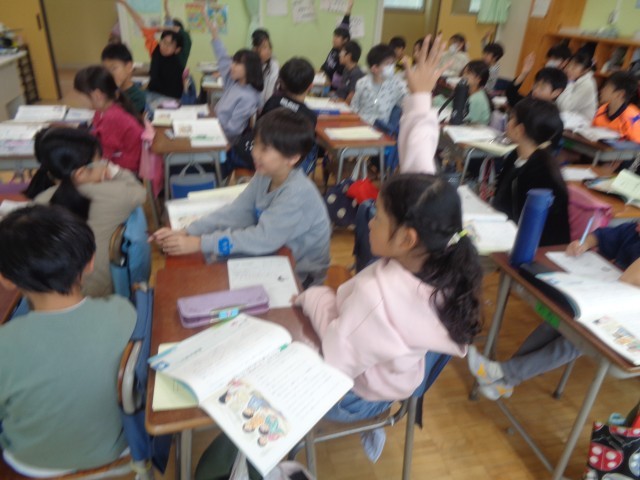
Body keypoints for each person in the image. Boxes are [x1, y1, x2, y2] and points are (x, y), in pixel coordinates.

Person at [294, 34, 483, 461]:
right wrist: (420, 97)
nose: (368, 218)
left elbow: (336, 360)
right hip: (398, 375)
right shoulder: (437, 250)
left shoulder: (377, 297)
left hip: (357, 395)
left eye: (377, 216)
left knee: (289, 352)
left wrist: (314, 298)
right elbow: (419, 159)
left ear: (406, 238)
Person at [0, 205, 136, 475]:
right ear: (90, 262)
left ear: (6, 280)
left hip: (33, 465)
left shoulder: (5, 342)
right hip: (122, 454)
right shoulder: (124, 312)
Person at [149, 108, 331, 287]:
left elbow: (262, 239)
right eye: (256, 144)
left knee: (214, 279)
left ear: (292, 158)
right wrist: (188, 231)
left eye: (265, 149)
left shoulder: (297, 193)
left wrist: (200, 243)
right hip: (275, 250)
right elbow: (237, 211)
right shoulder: (265, 174)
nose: (255, 153)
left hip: (301, 273)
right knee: (207, 268)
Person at [468, 221, 640, 399]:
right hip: (603, 300)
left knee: (574, 342)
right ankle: (505, 380)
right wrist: (585, 244)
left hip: (626, 319)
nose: (637, 226)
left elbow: (629, 278)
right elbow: (602, 235)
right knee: (554, 323)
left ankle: (503, 374)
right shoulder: (634, 231)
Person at [27, 127, 146, 297]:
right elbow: (140, 192)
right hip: (103, 292)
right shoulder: (115, 194)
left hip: (52, 294)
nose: (105, 164)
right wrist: (117, 172)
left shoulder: (40, 202)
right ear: (81, 173)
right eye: (101, 161)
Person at [491, 97, 570, 247]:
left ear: (520, 130)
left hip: (534, 248)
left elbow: (532, 228)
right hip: (507, 233)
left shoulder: (542, 173)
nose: (508, 122)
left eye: (511, 118)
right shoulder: (515, 156)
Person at [227, 57, 317, 178]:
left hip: (246, 153)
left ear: (282, 82)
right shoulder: (309, 116)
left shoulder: (273, 101)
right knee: (312, 147)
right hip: (275, 165)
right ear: (310, 86)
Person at [74, 65, 144, 173]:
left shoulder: (112, 118)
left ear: (97, 95)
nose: (78, 100)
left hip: (126, 170)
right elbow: (96, 133)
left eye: (80, 95)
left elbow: (103, 157)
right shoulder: (104, 109)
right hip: (119, 161)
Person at [117, 0, 191, 102]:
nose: (164, 46)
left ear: (177, 49)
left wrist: (168, 28)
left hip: (170, 99)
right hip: (151, 94)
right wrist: (125, 4)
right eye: (163, 42)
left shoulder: (180, 57)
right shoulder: (155, 48)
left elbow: (186, 37)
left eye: (169, 44)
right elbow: (141, 24)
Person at [206, 15, 263, 144]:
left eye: (237, 63)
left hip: (224, 140)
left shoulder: (249, 97)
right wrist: (214, 33)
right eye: (233, 62)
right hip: (214, 128)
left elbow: (233, 130)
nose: (232, 66)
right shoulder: (234, 82)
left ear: (249, 68)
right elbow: (223, 57)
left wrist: (210, 126)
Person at [351, 43, 408, 125]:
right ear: (375, 68)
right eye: (388, 64)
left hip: (381, 128)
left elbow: (409, 103)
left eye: (392, 63)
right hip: (361, 125)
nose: (392, 67)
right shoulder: (362, 83)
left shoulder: (397, 85)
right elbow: (354, 107)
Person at [592, 71, 640, 142]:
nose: (602, 90)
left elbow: (637, 146)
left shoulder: (632, 117)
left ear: (620, 94)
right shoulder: (602, 110)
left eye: (607, 87)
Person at [101, 42, 146, 114]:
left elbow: (122, 118)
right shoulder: (109, 92)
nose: (109, 74)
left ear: (129, 67)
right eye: (106, 70)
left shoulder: (137, 97)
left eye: (113, 68)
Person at [320, 0, 354, 90]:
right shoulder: (335, 48)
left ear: (345, 40)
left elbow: (336, 84)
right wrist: (349, 8)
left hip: (329, 88)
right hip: (322, 79)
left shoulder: (343, 58)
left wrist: (324, 84)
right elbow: (345, 23)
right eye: (334, 36)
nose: (334, 39)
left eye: (337, 37)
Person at [556, 51, 598, 122]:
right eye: (569, 65)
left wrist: (569, 82)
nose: (569, 69)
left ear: (585, 70)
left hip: (580, 124)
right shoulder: (571, 78)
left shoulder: (588, 84)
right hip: (567, 118)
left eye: (574, 67)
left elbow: (565, 108)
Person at [251, 29, 279, 107]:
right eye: (263, 47)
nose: (268, 51)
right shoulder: (250, 61)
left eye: (268, 47)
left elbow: (268, 94)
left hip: (263, 105)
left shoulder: (273, 66)